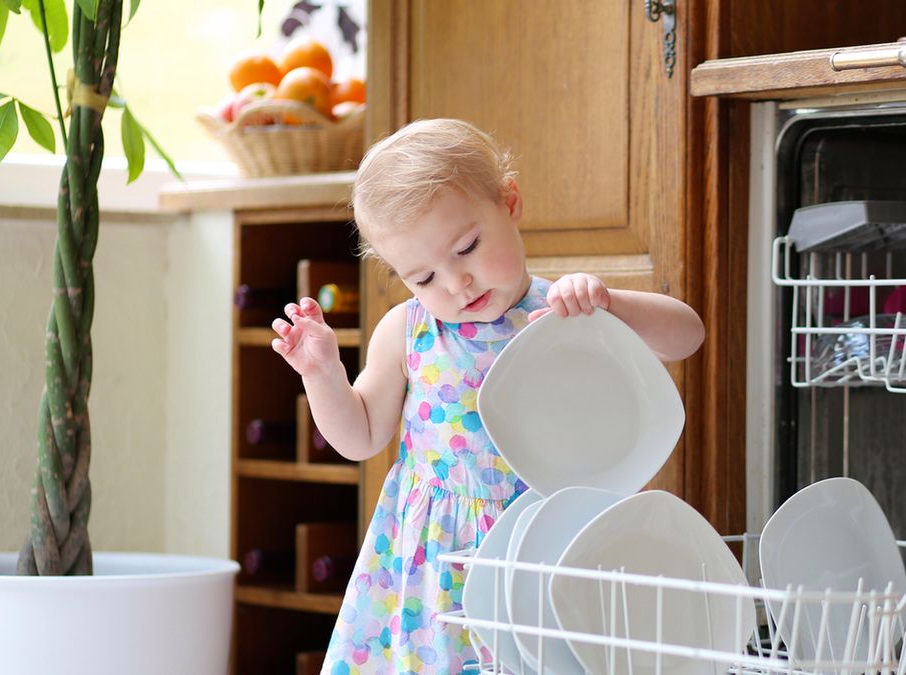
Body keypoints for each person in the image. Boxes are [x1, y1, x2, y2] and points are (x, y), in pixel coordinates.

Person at [270, 118, 704, 675]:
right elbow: (359, 438)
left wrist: (611, 305)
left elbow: (687, 334)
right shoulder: (407, 331)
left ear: (510, 202)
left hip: (545, 545)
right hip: (435, 562)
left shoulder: (567, 311)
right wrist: (323, 372)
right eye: (423, 277)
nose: (456, 284)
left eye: (467, 248)